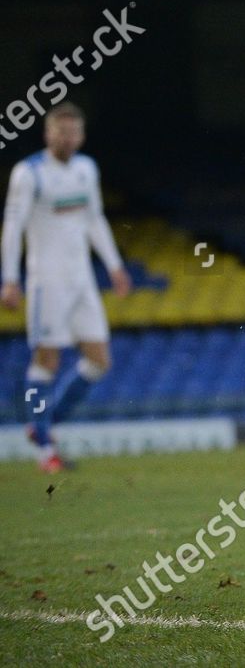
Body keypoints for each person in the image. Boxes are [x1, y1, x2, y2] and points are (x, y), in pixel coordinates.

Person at [2, 103, 132, 473]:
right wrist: (10, 279)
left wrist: (115, 265)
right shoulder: (29, 174)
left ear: (82, 135)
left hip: (82, 281)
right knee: (47, 361)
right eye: (61, 131)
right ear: (48, 134)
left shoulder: (86, 169)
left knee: (99, 360)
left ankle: (41, 425)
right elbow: (13, 228)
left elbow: (94, 219)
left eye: (73, 131)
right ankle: (46, 452)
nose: (68, 138)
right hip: (48, 281)